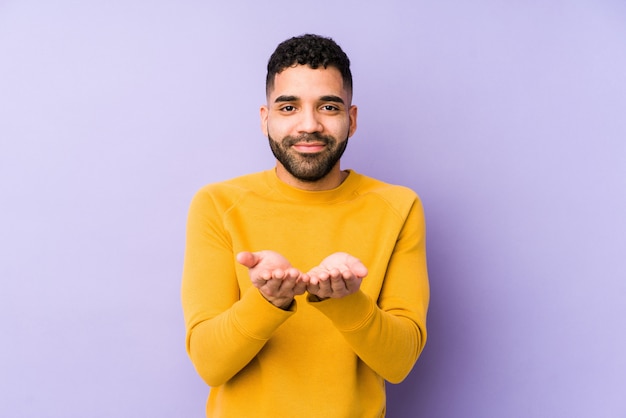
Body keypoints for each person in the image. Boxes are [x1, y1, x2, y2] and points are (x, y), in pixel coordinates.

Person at [181, 34, 429, 418]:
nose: (309, 125)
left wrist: (347, 300)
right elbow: (210, 364)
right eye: (288, 107)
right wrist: (267, 300)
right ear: (266, 120)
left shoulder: (399, 207)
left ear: (352, 119)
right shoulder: (217, 205)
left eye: (329, 107)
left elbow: (399, 364)